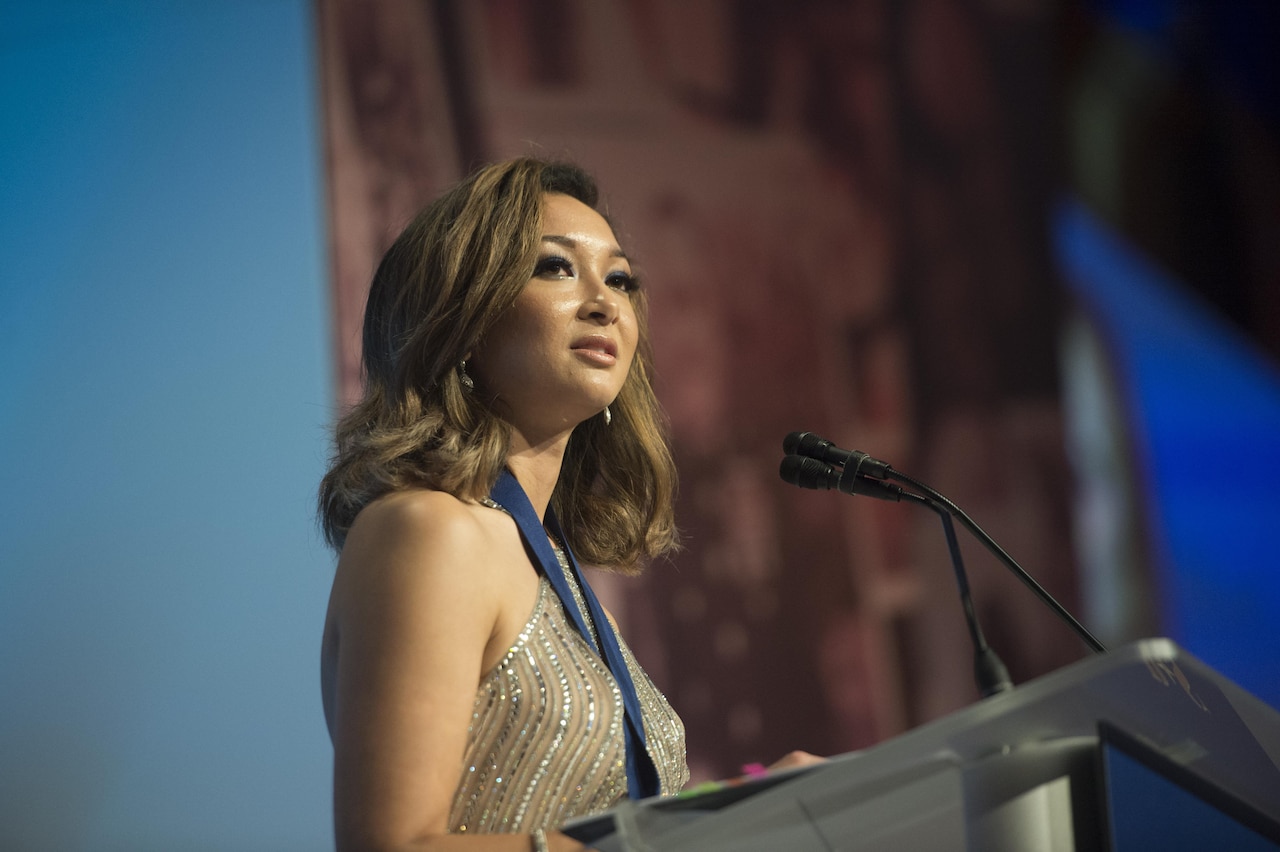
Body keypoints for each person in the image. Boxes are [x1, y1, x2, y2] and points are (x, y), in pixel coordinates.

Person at [317, 157, 689, 851]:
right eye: (555, 268)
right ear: (461, 322)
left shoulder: (570, 590)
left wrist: (751, 813)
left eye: (619, 278)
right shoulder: (428, 530)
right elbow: (392, 844)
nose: (606, 302)